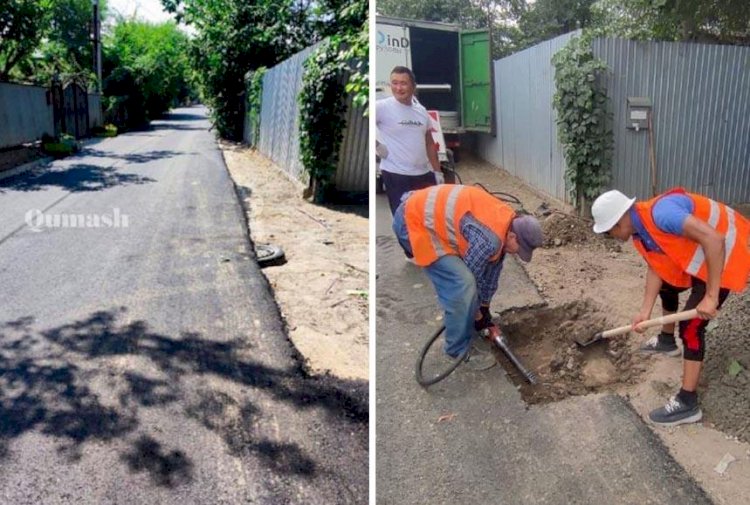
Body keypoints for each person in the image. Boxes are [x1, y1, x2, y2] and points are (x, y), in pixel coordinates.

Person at [591, 187, 750, 426]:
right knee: (667, 284)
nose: (611, 236)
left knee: (691, 327)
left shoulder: (663, 215)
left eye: (609, 231)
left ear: (618, 221)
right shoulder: (640, 232)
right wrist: (644, 311)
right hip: (705, 257)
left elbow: (715, 239)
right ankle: (667, 342)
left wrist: (711, 295)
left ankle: (688, 403)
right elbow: (657, 267)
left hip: (726, 254)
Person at [393, 184, 544, 369]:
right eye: (520, 249)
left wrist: (484, 310)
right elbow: (473, 276)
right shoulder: (490, 239)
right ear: (513, 236)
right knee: (462, 284)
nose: (517, 253)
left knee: (472, 291)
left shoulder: (506, 225)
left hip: (426, 216)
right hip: (413, 222)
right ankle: (457, 350)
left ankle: (466, 325)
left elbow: (491, 273)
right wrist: (477, 314)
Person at [376, 66, 442, 215]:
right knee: (404, 221)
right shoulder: (382, 107)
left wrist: (437, 172)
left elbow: (429, 142)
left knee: (426, 217)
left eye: (403, 83)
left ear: (413, 86)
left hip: (422, 173)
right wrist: (377, 146)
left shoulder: (421, 111)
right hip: (396, 174)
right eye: (394, 83)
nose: (398, 88)